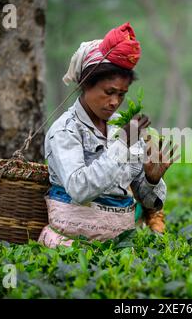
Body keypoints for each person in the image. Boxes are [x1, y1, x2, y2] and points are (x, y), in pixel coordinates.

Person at [38, 22, 177, 248]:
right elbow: (79, 189)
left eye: (121, 94)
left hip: (121, 244)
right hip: (70, 243)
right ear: (85, 84)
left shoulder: (122, 129)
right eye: (108, 92)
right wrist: (122, 146)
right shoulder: (65, 130)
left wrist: (152, 179)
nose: (114, 101)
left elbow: (148, 201)